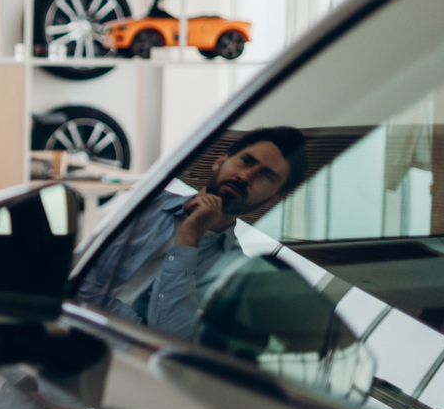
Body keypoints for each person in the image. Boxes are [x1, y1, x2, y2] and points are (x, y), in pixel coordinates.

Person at [76, 126, 307, 341]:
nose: (246, 177)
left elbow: (173, 338)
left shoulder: (233, 270)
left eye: (267, 176)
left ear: (274, 198)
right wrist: (138, 331)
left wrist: (189, 239)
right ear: (220, 161)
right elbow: (80, 279)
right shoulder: (146, 203)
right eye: (246, 161)